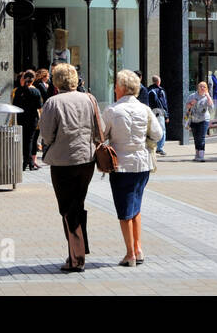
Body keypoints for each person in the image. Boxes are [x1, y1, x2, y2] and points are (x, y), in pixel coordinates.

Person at [38, 63, 98, 272]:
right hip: (87, 160)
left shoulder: (53, 103)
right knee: (77, 205)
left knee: (67, 208)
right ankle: (78, 251)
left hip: (63, 161)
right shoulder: (89, 99)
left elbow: (46, 135)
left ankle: (76, 257)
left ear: (56, 80)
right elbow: (97, 130)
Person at [102, 70, 163, 266]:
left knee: (124, 211)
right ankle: (138, 248)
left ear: (120, 88)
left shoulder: (112, 110)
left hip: (121, 165)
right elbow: (158, 134)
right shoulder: (145, 109)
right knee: (135, 208)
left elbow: (101, 135)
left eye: (116, 85)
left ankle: (130, 254)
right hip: (143, 163)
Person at [12, 70, 43, 172]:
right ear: (33, 80)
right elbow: (39, 106)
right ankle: (28, 162)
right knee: (30, 140)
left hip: (21, 117)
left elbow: (15, 105)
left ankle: (27, 161)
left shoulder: (18, 91)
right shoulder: (36, 91)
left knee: (24, 140)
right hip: (32, 118)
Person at [185, 81, 214, 162]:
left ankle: (201, 155)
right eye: (200, 86)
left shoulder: (207, 96)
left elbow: (212, 107)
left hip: (204, 119)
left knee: (201, 137)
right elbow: (187, 106)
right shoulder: (192, 96)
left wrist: (208, 97)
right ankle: (197, 154)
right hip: (194, 119)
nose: (202, 88)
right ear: (198, 88)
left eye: (204, 87)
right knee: (196, 137)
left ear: (206, 88)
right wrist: (191, 103)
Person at [144, 76, 169, 156]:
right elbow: (163, 103)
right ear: (158, 81)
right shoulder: (160, 91)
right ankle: (159, 148)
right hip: (159, 112)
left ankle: (151, 146)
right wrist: (167, 115)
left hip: (150, 112)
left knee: (151, 129)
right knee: (162, 130)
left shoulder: (148, 90)